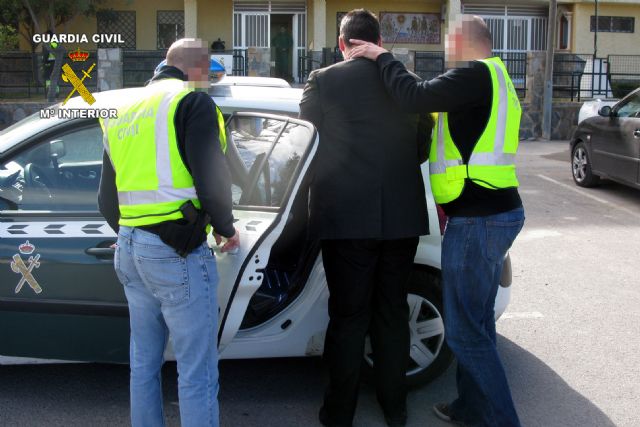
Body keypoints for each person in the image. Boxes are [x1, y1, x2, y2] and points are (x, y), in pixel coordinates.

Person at [349, 15, 525, 427]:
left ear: (466, 41)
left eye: (450, 42)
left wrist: (382, 56)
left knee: (464, 333)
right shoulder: (497, 77)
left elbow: (413, 97)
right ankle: (470, 409)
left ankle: (502, 421)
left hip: (480, 219)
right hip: (493, 212)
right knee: (477, 325)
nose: (447, 50)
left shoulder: (474, 75)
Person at [299, 9, 432, 427]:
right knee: (392, 312)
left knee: (348, 317)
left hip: (343, 220)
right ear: (378, 42)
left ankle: (338, 414)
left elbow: (304, 142)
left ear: (343, 43)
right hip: (400, 219)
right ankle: (396, 410)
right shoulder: (404, 82)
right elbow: (423, 149)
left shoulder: (323, 80)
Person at [98, 38, 240, 427]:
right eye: (209, 75)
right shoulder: (191, 102)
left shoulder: (121, 109)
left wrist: (131, 231)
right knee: (197, 370)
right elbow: (213, 179)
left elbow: (106, 198)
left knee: (143, 362)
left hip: (129, 248)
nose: (209, 83)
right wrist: (226, 229)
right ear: (197, 68)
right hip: (175, 252)